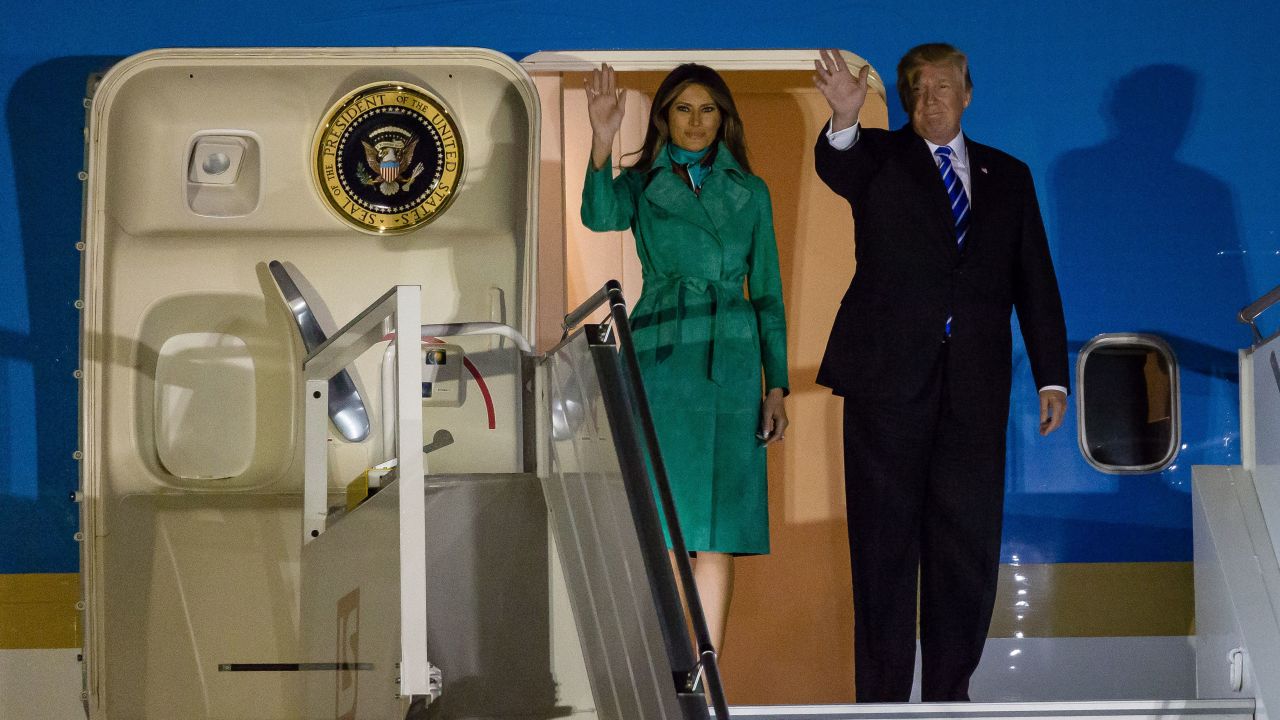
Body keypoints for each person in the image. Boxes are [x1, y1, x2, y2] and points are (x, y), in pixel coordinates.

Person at [811, 46, 1069, 701]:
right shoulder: (878, 159)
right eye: (918, 90)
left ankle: (950, 696)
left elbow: (1033, 279)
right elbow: (837, 161)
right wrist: (843, 116)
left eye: (944, 87)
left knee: (966, 554)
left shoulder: (1008, 175)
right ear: (904, 100)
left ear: (968, 93)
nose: (931, 99)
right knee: (883, 554)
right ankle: (882, 705)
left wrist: (1051, 376)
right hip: (886, 389)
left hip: (974, 394)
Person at [580, 62, 789, 654]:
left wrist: (776, 385)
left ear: (723, 119)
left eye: (707, 109)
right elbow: (599, 216)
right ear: (664, 119)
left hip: (731, 362)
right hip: (662, 356)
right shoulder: (643, 184)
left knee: (717, 530)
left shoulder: (751, 191)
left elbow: (768, 293)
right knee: (669, 527)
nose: (696, 122)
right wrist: (602, 138)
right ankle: (670, 669)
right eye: (683, 109)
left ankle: (709, 673)